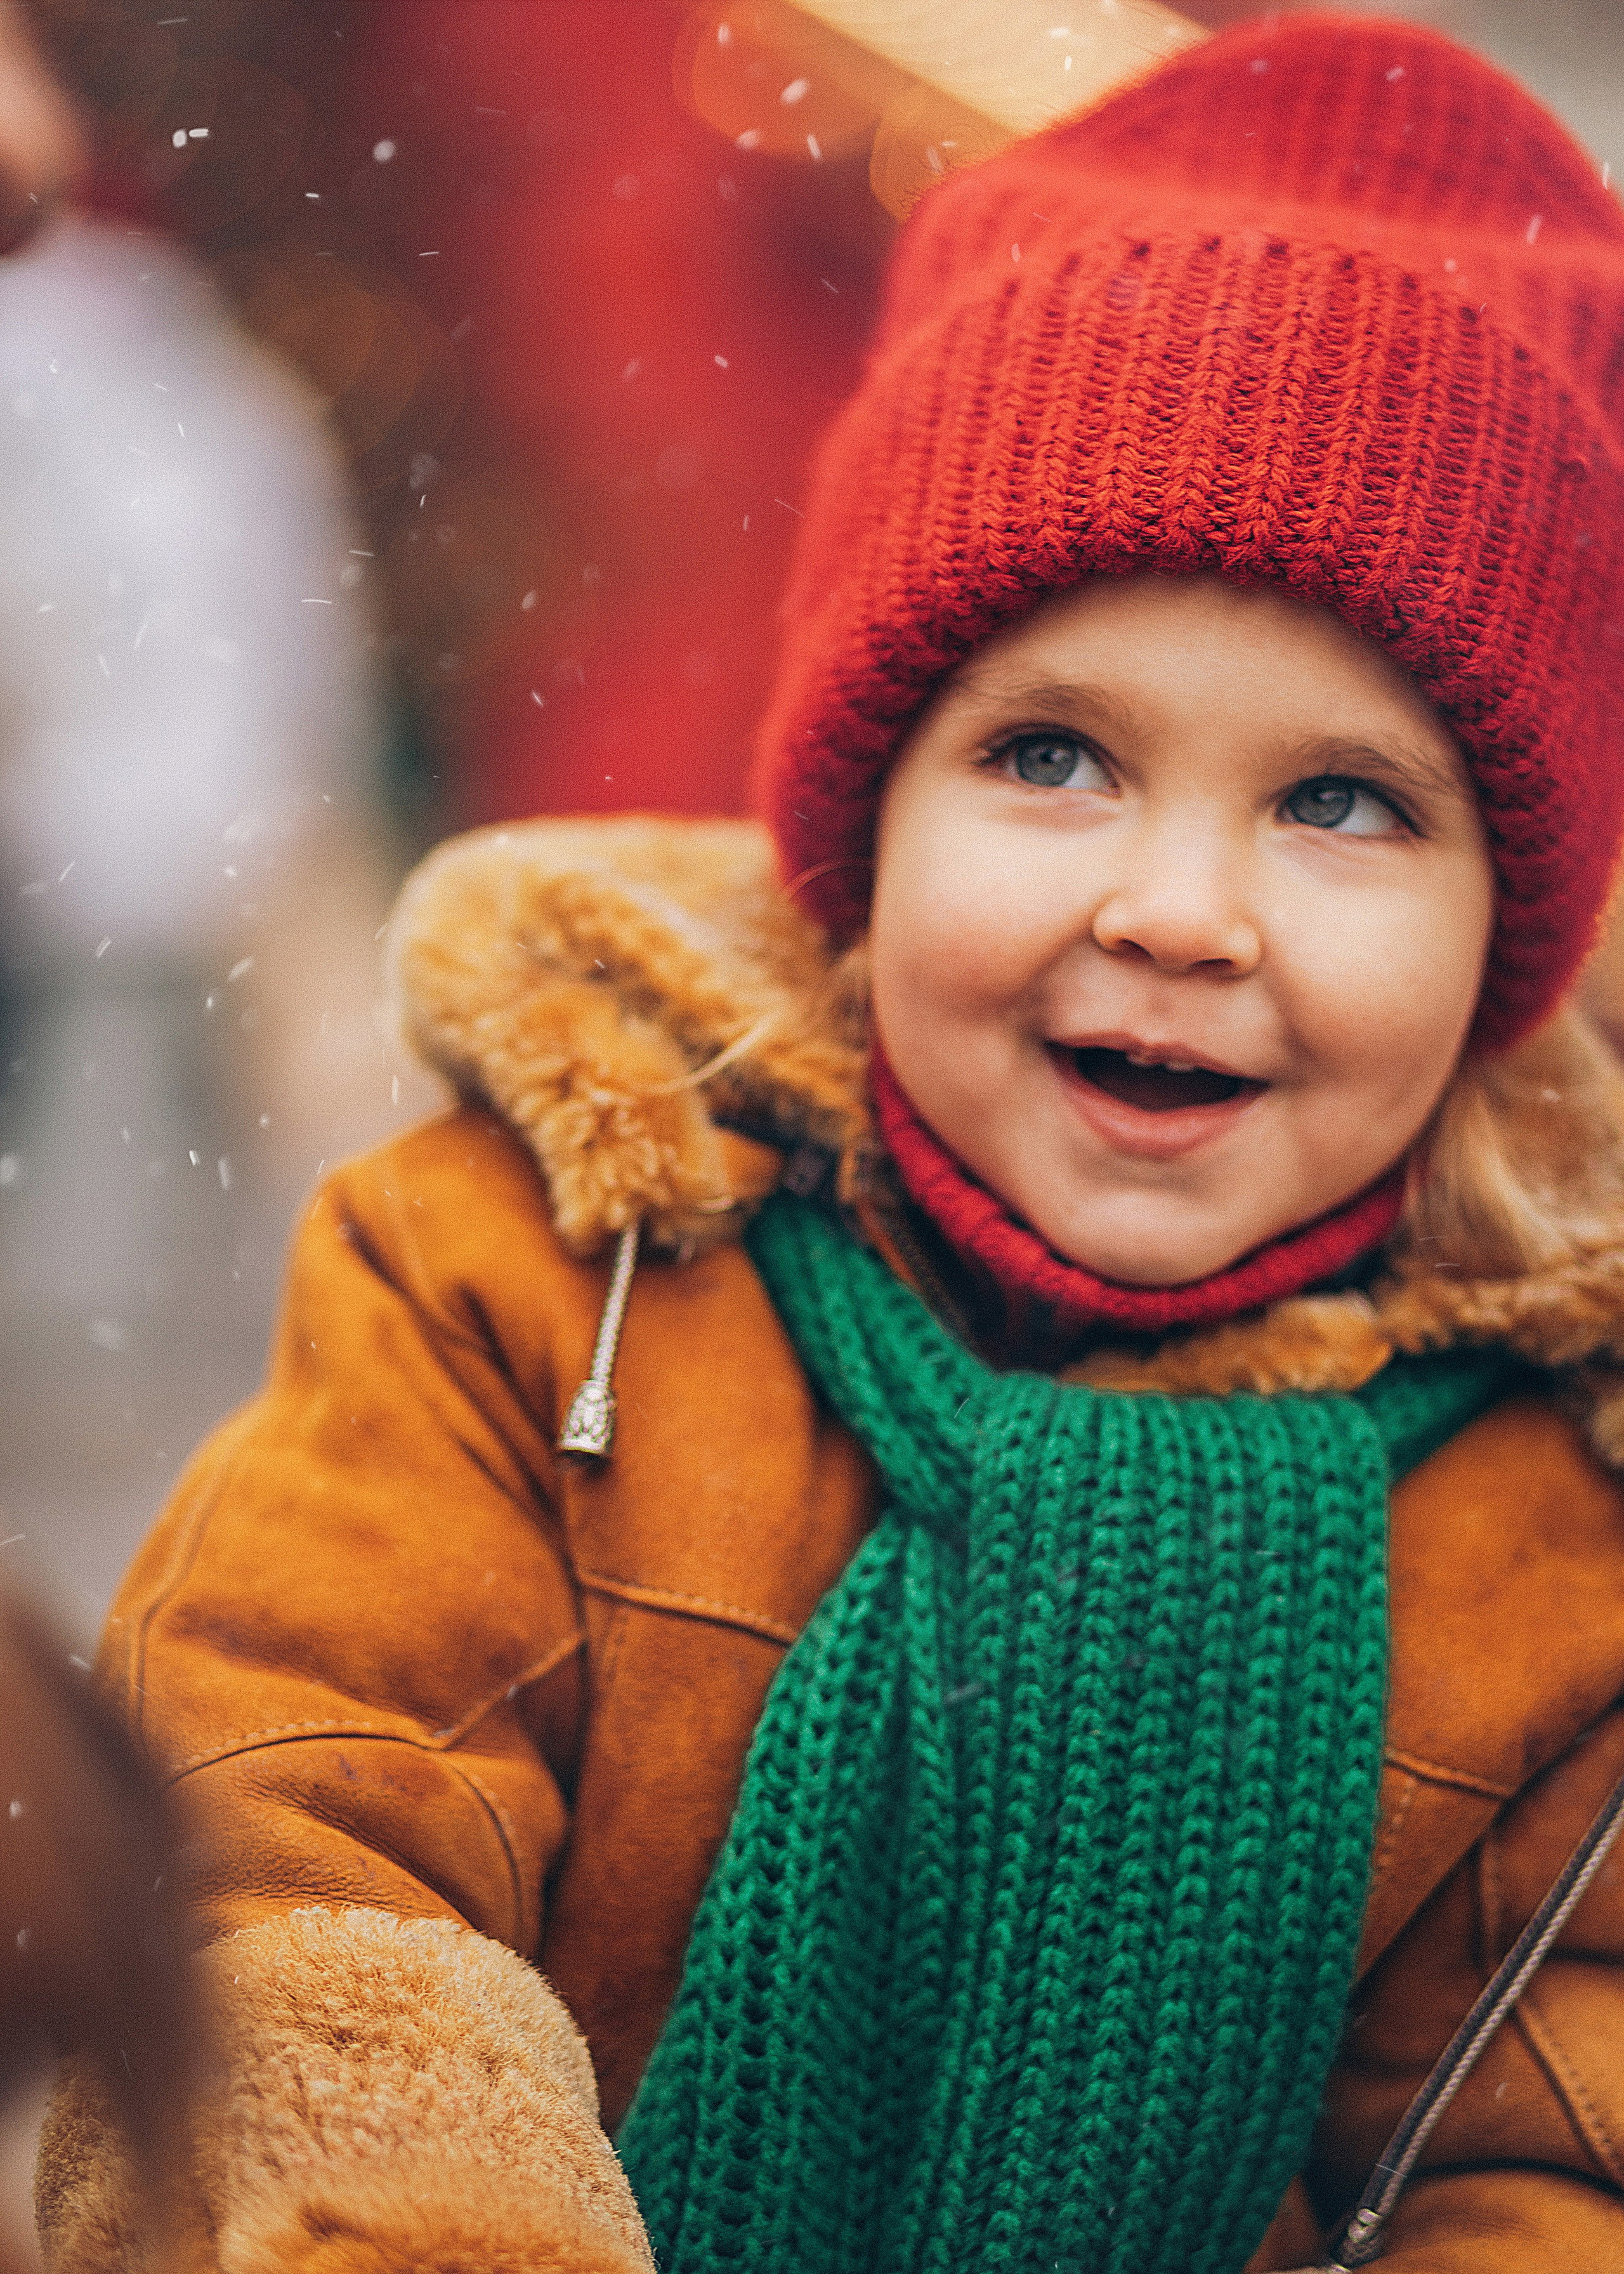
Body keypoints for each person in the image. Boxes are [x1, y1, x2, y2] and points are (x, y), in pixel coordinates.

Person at [34, 13, 1624, 2271]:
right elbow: (291, 1862)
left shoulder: (1559, 1529)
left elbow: (1556, 2159)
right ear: (862, 825)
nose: (1175, 909)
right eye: (1054, 757)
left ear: (1512, 938)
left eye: (1343, 803)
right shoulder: (529, 1263)